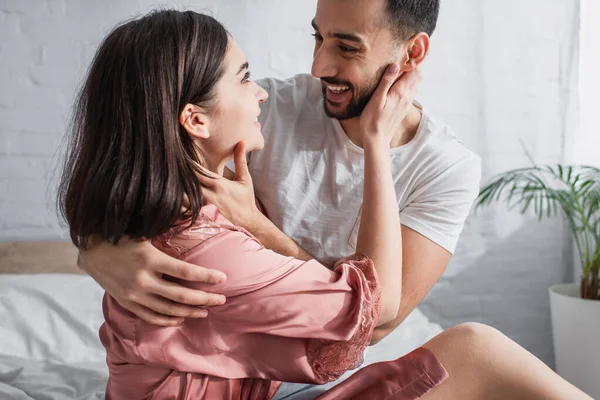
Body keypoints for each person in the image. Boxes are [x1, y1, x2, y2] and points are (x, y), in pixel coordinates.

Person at [60, 8, 592, 400]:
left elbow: (377, 322)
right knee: (480, 349)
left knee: (477, 353)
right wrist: (100, 248)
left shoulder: (447, 166)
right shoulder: (261, 112)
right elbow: (150, 141)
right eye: (317, 37)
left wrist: (259, 228)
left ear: (412, 53)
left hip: (346, 363)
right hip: (280, 378)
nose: (319, 65)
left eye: (347, 47)